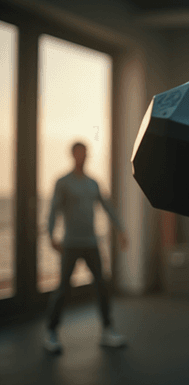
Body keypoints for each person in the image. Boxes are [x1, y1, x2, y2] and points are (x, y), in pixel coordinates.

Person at [43, 141, 129, 354]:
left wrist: (120, 230)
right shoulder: (63, 183)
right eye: (79, 153)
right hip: (71, 244)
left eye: (85, 153)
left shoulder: (93, 183)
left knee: (102, 285)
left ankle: (108, 330)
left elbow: (108, 207)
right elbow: (54, 210)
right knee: (62, 288)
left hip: (91, 244)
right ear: (73, 155)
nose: (83, 156)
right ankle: (51, 333)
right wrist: (50, 235)